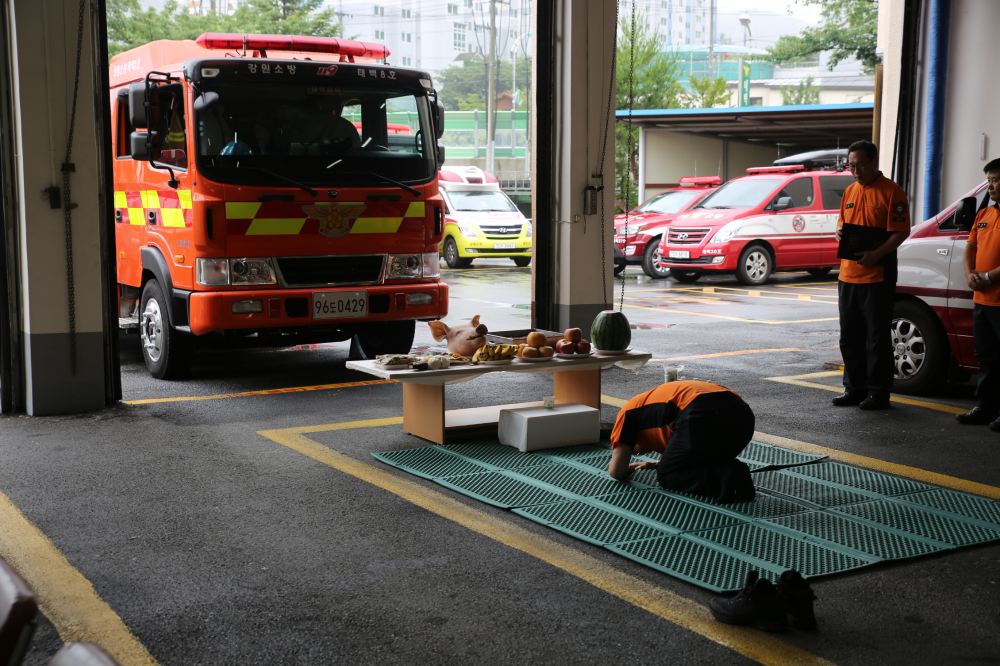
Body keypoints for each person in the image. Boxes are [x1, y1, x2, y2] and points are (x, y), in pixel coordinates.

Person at [832, 140, 911, 410]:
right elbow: (842, 224)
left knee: (876, 338)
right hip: (848, 276)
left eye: (860, 165)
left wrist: (877, 254)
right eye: (851, 166)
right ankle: (854, 388)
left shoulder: (892, 192)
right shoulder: (850, 191)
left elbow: (901, 232)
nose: (855, 171)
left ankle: (878, 392)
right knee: (849, 337)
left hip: (878, 276)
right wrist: (839, 232)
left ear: (875, 162)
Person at [607, 380, 755, 503]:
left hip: (701, 413)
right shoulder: (652, 409)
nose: (644, 452)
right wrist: (660, 463)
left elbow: (616, 472)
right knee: (705, 459)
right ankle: (737, 478)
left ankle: (728, 473)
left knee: (667, 476)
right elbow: (688, 450)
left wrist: (625, 467)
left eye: (635, 452)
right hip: (742, 414)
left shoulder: (626, 413)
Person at [957, 159, 1000, 429]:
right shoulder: (984, 214)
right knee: (986, 357)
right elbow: (969, 248)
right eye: (989, 180)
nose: (991, 186)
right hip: (983, 301)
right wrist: (969, 274)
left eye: (995, 179)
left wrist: (987, 277)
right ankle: (985, 407)